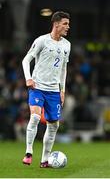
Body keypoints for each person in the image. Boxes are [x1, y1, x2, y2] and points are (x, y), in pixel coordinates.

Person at [22, 11, 71, 168]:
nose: (68, 27)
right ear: (56, 24)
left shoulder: (66, 45)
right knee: (35, 117)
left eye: (68, 24)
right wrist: (28, 78)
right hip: (38, 87)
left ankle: (44, 160)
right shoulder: (42, 41)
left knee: (54, 125)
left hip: (54, 91)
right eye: (65, 23)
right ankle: (29, 152)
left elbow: (63, 69)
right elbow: (26, 60)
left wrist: (62, 90)